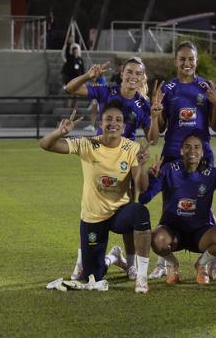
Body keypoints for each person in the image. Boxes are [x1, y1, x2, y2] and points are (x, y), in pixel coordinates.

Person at [64, 56, 161, 281]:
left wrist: (155, 118)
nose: (133, 77)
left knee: (129, 206)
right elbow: (70, 88)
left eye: (138, 73)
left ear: (142, 77)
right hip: (100, 154)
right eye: (130, 72)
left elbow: (152, 139)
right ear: (122, 73)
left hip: (127, 158)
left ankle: (129, 261)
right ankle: (84, 257)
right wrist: (89, 75)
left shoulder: (143, 104)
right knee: (93, 206)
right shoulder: (107, 90)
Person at [39, 102, 152, 293]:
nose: (113, 123)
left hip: (119, 213)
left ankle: (141, 277)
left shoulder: (132, 148)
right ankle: (113, 258)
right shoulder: (87, 144)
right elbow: (46, 145)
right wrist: (60, 132)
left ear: (124, 126)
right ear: (100, 122)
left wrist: (141, 167)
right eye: (109, 119)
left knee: (141, 212)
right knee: (94, 275)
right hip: (93, 216)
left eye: (118, 120)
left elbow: (141, 187)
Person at [148, 41, 216, 280]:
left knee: (205, 201)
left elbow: (214, 126)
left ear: (196, 61)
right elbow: (160, 128)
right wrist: (157, 109)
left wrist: (215, 104)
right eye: (182, 59)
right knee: (169, 204)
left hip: (202, 153)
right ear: (175, 61)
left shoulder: (205, 86)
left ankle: (212, 264)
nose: (186, 63)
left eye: (190, 59)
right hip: (173, 152)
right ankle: (163, 261)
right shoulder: (168, 88)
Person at [139, 133, 216, 285]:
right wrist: (152, 177)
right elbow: (144, 198)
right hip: (173, 232)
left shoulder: (211, 173)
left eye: (197, 147)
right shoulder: (169, 169)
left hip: (201, 233)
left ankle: (202, 264)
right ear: (181, 151)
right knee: (156, 240)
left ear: (203, 152)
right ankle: (172, 265)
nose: (192, 151)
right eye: (188, 147)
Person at [61, 41, 85, 108]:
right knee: (70, 93)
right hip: (71, 79)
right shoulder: (70, 59)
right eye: (74, 51)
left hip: (78, 80)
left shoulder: (80, 60)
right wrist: (69, 44)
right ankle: (68, 106)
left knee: (77, 94)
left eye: (76, 51)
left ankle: (75, 106)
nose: (75, 52)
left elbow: (82, 70)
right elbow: (66, 54)